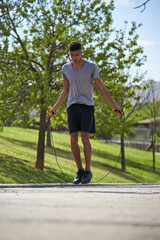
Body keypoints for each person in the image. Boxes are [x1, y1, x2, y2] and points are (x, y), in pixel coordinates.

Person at [50, 41, 122, 184]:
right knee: (73, 140)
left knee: (84, 139)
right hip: (72, 106)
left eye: (77, 54)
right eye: (72, 55)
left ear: (81, 53)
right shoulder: (65, 68)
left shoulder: (91, 67)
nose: (74, 57)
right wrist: (55, 107)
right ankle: (80, 171)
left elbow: (101, 87)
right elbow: (65, 90)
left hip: (87, 106)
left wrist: (114, 106)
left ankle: (88, 171)